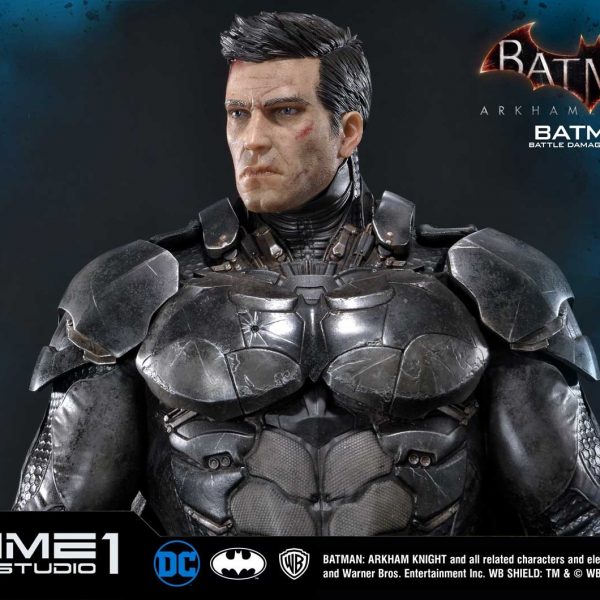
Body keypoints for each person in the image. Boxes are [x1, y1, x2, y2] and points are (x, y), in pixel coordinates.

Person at [13, 11, 600, 536]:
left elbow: (577, 522)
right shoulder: (130, 293)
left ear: (348, 131)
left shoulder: (492, 283)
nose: (251, 141)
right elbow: (49, 540)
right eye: (238, 114)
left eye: (283, 112)